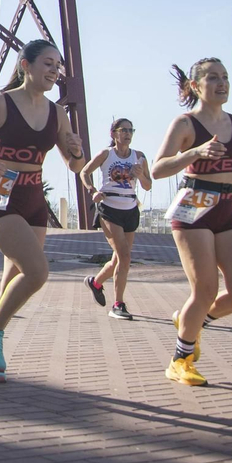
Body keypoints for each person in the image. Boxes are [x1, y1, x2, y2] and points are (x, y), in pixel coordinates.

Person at [0, 39, 86, 382]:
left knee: (12, 280)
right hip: (0, 195)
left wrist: (76, 151)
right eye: (48, 64)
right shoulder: (1, 103)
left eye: (58, 66)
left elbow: (73, 165)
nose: (54, 71)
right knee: (37, 272)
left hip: (34, 197)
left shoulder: (57, 112)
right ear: (26, 65)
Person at [150, 57, 232, 387]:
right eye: (213, 78)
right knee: (205, 288)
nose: (222, 83)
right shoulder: (186, 124)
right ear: (196, 86)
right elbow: (158, 169)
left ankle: (191, 321)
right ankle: (179, 360)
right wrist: (194, 153)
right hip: (193, 209)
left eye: (225, 77)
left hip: (226, 208)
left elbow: (230, 165)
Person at [79, 118, 151, 320]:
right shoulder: (106, 154)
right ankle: (118, 304)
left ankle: (95, 282)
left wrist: (141, 175)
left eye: (131, 130)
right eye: (123, 130)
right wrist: (92, 190)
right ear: (114, 134)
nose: (127, 134)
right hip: (109, 207)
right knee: (125, 256)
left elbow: (148, 185)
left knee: (119, 259)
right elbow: (85, 172)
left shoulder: (139, 157)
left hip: (130, 207)